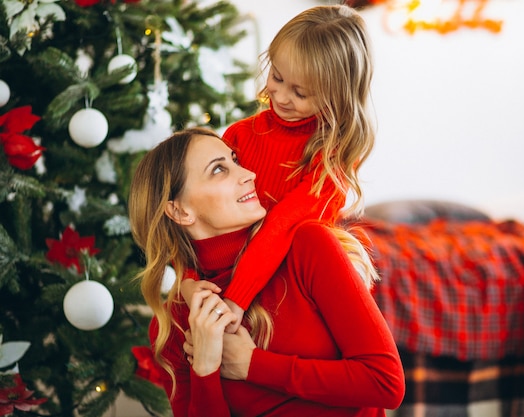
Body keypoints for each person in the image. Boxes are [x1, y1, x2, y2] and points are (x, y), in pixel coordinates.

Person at [127, 127, 405, 417]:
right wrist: (206, 369)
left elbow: (386, 382)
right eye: (219, 170)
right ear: (180, 211)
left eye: (235, 160)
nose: (249, 174)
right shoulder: (174, 323)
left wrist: (253, 365)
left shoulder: (306, 247)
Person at [180, 4, 377, 333]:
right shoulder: (239, 136)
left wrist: (236, 302)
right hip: (229, 293)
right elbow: (194, 213)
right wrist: (187, 280)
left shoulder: (331, 160)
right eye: (277, 77)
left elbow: (280, 227)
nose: (281, 96)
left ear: (338, 96)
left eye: (300, 92)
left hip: (290, 302)